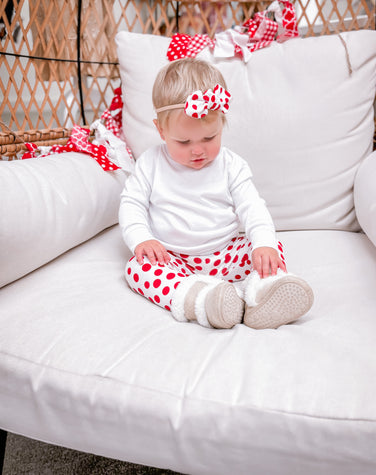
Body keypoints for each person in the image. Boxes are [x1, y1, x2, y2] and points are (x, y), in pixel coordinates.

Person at [119, 58, 313, 330]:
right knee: (136, 269)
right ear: (161, 130)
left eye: (209, 138)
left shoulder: (231, 165)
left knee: (269, 248)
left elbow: (252, 208)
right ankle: (200, 300)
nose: (197, 150)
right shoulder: (150, 164)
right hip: (173, 259)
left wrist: (263, 243)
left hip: (226, 254)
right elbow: (132, 204)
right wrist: (143, 239)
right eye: (184, 142)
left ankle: (262, 293)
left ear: (221, 123)